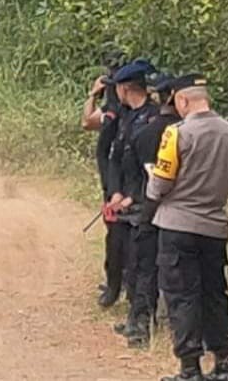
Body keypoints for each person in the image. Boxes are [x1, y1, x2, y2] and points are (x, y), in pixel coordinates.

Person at [149, 75, 228, 381]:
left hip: (178, 226)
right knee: (215, 294)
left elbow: (159, 184)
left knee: (182, 296)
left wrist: (159, 189)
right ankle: (223, 365)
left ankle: (190, 368)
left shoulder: (177, 133)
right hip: (214, 227)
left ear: (182, 100)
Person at [105, 60, 159, 346]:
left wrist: (132, 197)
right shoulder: (126, 117)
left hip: (144, 203)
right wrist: (114, 192)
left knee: (144, 263)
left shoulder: (153, 120)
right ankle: (133, 314)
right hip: (124, 199)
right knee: (128, 261)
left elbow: (151, 169)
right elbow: (115, 157)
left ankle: (142, 322)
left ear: (126, 88)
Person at [81, 53, 128, 309]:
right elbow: (87, 122)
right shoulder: (111, 105)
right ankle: (115, 283)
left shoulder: (132, 109)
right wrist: (93, 95)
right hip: (110, 179)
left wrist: (93, 94)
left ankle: (118, 286)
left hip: (126, 180)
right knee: (115, 232)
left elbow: (87, 122)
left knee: (121, 235)